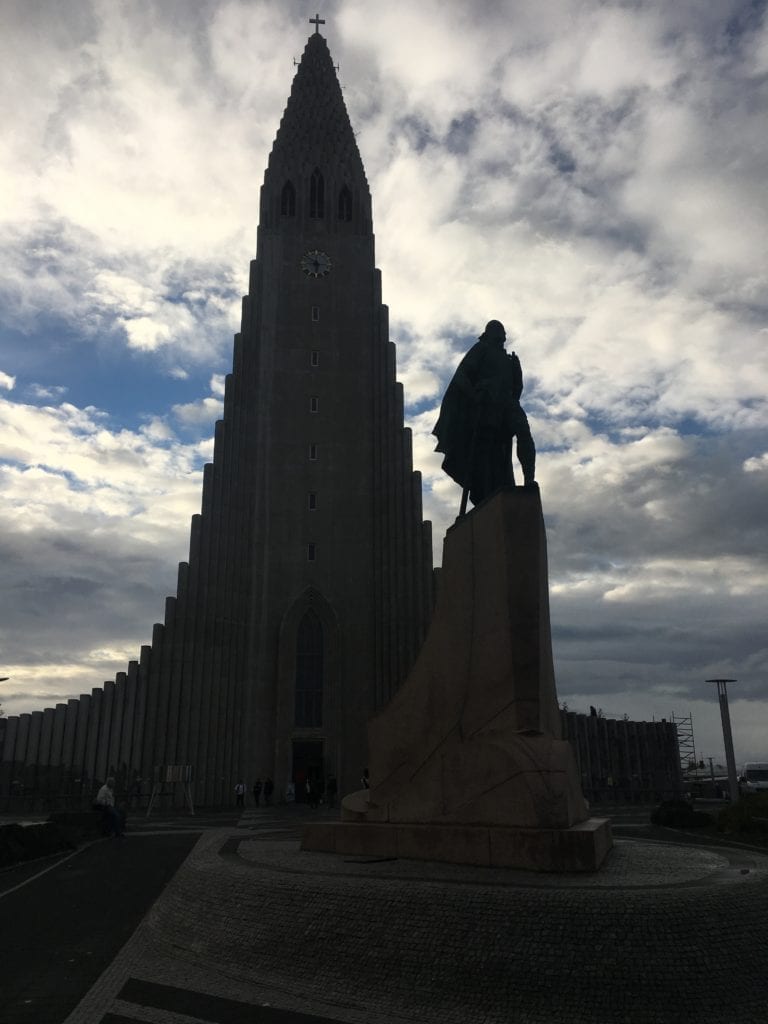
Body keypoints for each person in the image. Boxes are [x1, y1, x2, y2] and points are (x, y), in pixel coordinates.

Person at [432, 319, 535, 508]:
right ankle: (486, 490)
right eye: (497, 332)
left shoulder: (508, 359)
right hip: (487, 404)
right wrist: (474, 396)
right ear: (489, 333)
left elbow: (516, 391)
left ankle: (529, 480)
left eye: (502, 333)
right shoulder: (481, 349)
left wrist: (517, 372)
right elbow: (462, 376)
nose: (501, 336)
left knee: (524, 433)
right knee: (487, 450)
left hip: (507, 403)